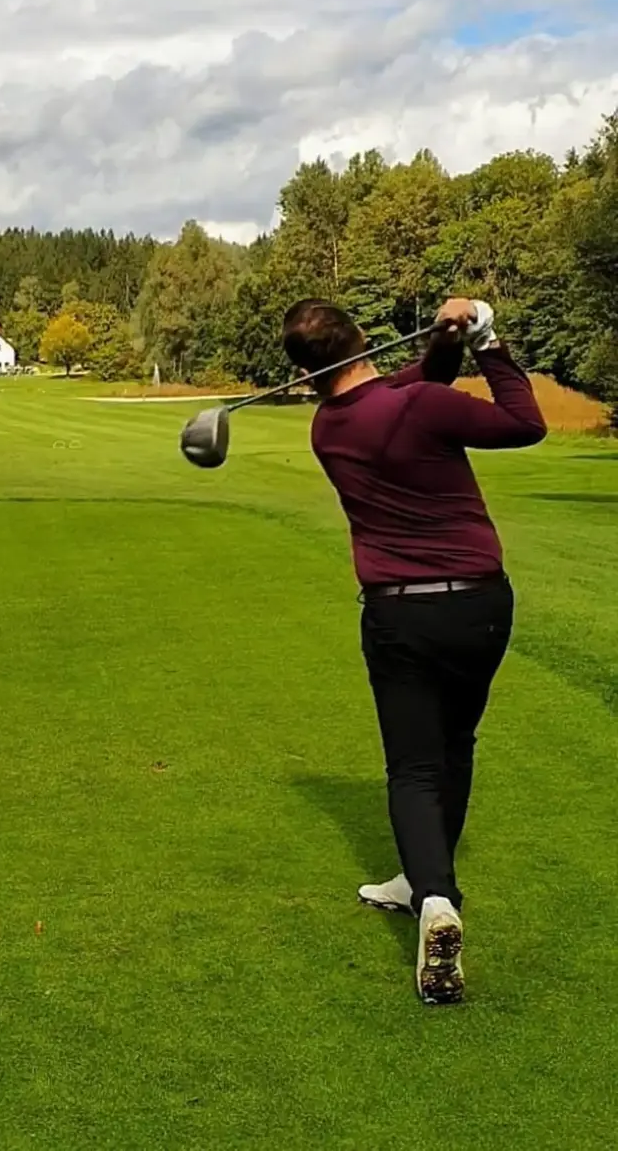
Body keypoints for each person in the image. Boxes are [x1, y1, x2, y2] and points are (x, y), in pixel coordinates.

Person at [282, 297, 547, 1005]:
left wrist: (443, 342)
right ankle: (426, 883)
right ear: (361, 338)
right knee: (455, 746)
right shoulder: (421, 406)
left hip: (401, 615)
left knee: (413, 766)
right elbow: (526, 424)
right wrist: (487, 342)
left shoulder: (327, 427)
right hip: (482, 605)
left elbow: (405, 387)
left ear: (307, 370)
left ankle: (431, 895)